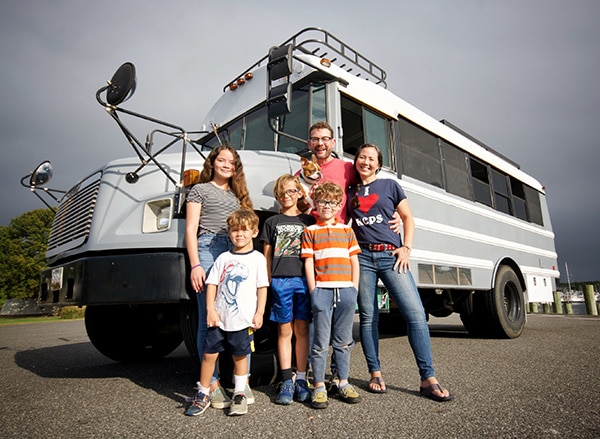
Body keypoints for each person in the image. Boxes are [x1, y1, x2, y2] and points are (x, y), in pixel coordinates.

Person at [347, 143, 453, 401]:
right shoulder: (350, 192)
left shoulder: (390, 185)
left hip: (391, 256)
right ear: (356, 161)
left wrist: (406, 247)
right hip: (362, 257)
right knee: (369, 317)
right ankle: (375, 373)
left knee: (415, 313)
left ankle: (428, 378)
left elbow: (408, 218)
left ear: (378, 164)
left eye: (371, 158)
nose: (366, 161)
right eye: (362, 157)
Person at [185, 144, 254, 412]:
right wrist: (195, 265)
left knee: (239, 313)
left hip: (235, 251)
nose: (226, 164)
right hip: (208, 251)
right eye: (221, 160)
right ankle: (211, 383)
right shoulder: (199, 190)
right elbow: (190, 230)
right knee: (209, 316)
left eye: (231, 161)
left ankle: (241, 381)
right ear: (212, 162)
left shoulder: (239, 196)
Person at [185, 209, 269, 416]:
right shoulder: (223, 257)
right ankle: (203, 392)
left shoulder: (258, 259)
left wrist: (259, 313)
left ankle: (240, 393)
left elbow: (262, 288)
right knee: (209, 355)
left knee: (240, 357)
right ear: (229, 233)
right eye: (234, 230)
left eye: (244, 230)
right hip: (219, 320)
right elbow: (212, 284)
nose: (239, 234)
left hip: (243, 320)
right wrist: (211, 310)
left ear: (255, 232)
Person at [301, 182, 362, 409]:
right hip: (322, 291)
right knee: (319, 342)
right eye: (323, 201)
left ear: (339, 206)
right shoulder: (310, 231)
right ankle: (319, 386)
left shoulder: (347, 230)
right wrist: (314, 290)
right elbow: (308, 262)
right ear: (315, 203)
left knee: (343, 341)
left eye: (333, 202)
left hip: (346, 290)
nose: (327, 206)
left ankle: (343, 381)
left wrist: (353, 288)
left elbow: (354, 260)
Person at [260, 174, 316, 405]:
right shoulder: (271, 222)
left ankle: (301, 378)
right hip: (280, 281)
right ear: (277, 197)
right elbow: (267, 253)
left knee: (302, 329)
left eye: (292, 191)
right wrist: (268, 279)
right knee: (284, 330)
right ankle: (286, 380)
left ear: (300, 193)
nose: (287, 196)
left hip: (303, 280)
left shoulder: (309, 221)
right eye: (282, 193)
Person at [297, 121, 355, 223]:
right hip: (308, 232)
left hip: (336, 233)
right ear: (309, 144)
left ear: (333, 142)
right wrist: (307, 201)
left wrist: (393, 209)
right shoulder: (300, 175)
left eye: (325, 139)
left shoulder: (346, 167)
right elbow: (293, 207)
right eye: (315, 139)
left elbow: (368, 188)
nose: (320, 143)